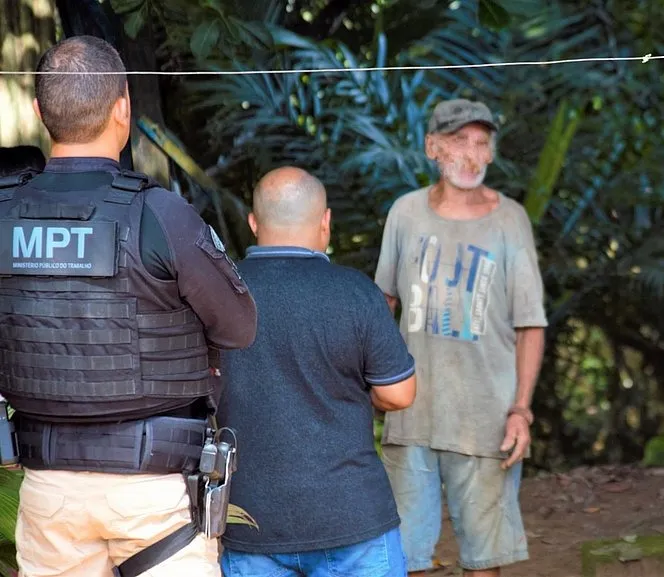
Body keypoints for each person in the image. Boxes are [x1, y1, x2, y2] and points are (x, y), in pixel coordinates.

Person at [0, 35, 258, 577]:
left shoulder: (4, 218)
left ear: (40, 111)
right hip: (153, 496)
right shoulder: (161, 215)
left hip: (49, 492)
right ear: (123, 107)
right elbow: (239, 327)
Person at [374, 98, 548, 576]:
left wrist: (520, 410)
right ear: (433, 147)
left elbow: (530, 323)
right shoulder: (405, 213)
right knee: (405, 560)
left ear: (491, 153)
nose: (470, 154)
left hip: (487, 420)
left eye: (480, 143)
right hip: (411, 414)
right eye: (457, 141)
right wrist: (370, 384)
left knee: (484, 561)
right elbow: (381, 304)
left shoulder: (510, 219)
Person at [216, 166, 417, 577]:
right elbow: (399, 394)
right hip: (352, 519)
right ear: (326, 222)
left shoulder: (220, 292)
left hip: (250, 521)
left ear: (254, 223)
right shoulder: (355, 291)